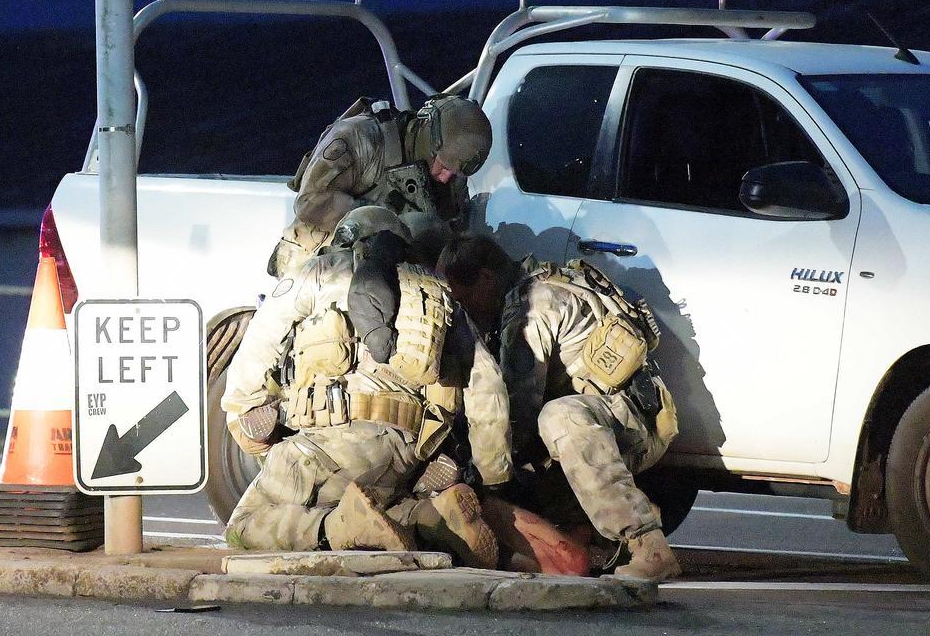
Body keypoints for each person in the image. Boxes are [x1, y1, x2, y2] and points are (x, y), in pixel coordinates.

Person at [222, 208, 512, 567]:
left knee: (243, 526)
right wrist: (492, 477)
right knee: (379, 501)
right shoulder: (441, 297)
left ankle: (340, 529)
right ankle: (429, 517)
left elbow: (258, 347)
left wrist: (244, 413)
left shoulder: (321, 272)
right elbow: (488, 390)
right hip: (408, 456)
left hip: (330, 442)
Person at [437, 235, 682, 582]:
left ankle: (649, 547)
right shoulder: (542, 280)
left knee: (556, 420)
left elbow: (516, 414)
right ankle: (585, 536)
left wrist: (478, 471)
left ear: (487, 279)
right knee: (547, 432)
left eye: (464, 297)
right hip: (630, 419)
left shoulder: (530, 312)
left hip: (628, 431)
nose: (465, 310)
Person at [268, 94, 492, 277]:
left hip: (384, 266)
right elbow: (310, 203)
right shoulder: (359, 137)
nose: (445, 178)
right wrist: (385, 220)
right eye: (442, 166)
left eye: (453, 173)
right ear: (429, 140)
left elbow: (450, 229)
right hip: (318, 260)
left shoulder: (454, 167)